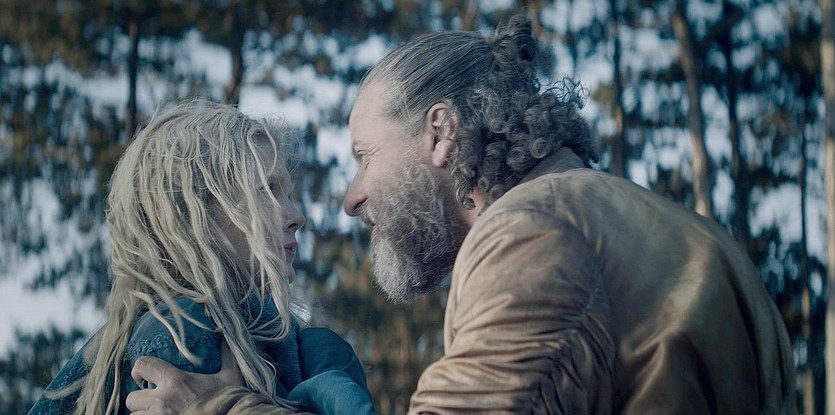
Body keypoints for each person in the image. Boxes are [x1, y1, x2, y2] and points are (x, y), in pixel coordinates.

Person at [128, 15, 796, 414]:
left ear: (441, 133)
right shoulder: (694, 236)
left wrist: (224, 407)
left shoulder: (529, 235)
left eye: (364, 156)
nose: (350, 198)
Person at [27, 100, 374, 415]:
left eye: (288, 193)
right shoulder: (186, 332)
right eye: (267, 190)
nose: (297, 216)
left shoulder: (297, 345)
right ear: (194, 214)